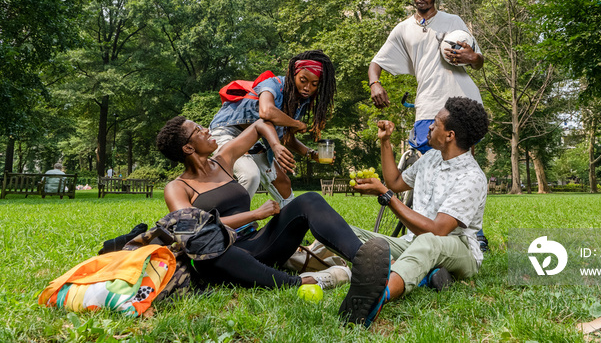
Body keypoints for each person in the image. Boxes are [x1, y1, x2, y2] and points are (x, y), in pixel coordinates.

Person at [156, 116, 386, 291]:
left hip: (258, 243)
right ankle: (303, 282)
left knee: (309, 200)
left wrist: (275, 145)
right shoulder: (177, 188)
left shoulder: (223, 160)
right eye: (198, 130)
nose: (206, 129)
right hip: (224, 256)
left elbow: (260, 124)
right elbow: (194, 231)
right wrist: (255, 214)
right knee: (213, 253)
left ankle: (368, 261)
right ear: (188, 148)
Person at [368, 0, 489, 250]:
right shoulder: (403, 30)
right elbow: (376, 63)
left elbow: (480, 61)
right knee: (428, 170)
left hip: (463, 102)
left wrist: (471, 56)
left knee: (461, 167)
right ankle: (427, 227)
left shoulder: (452, 21)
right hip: (429, 109)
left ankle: (474, 233)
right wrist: (375, 84)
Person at [339, 97, 489, 328]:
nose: (429, 126)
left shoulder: (471, 177)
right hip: (414, 241)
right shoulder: (430, 159)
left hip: (458, 248)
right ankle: (428, 275)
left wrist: (387, 197)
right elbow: (395, 182)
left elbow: (439, 231)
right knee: (351, 234)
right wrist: (385, 142)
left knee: (430, 243)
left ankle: (376, 297)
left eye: (436, 123)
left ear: (450, 135)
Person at [209, 50, 336, 208]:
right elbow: (266, 112)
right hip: (226, 131)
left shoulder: (299, 102)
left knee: (283, 182)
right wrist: (296, 124)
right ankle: (231, 223)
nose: (307, 87)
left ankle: (292, 224)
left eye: (314, 84)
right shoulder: (273, 84)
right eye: (303, 80)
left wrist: (311, 154)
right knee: (250, 175)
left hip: (251, 139)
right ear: (293, 75)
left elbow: (285, 138)